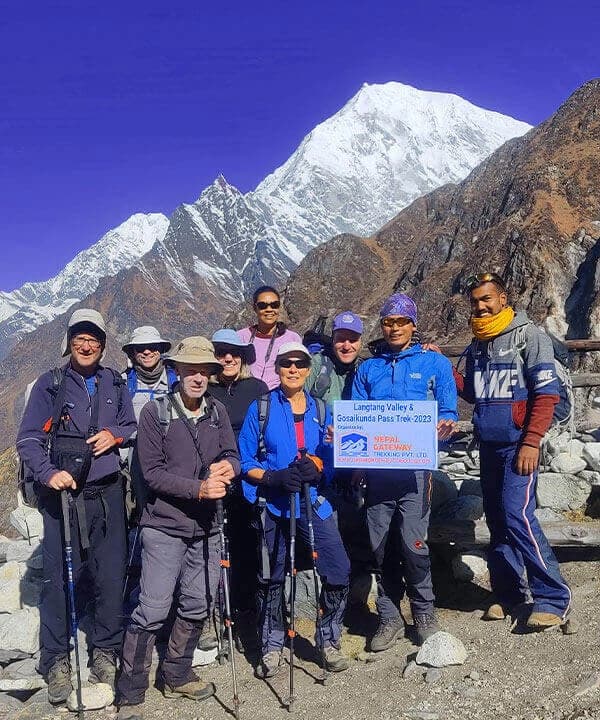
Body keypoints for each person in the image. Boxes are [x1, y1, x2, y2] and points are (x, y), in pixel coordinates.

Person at [16, 309, 137, 704]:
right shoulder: (49, 385)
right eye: (80, 338)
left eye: (94, 339)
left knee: (110, 575)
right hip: (63, 498)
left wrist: (114, 435)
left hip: (108, 492)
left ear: (103, 345)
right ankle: (55, 660)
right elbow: (29, 439)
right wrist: (48, 472)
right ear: (69, 341)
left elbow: (131, 425)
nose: (87, 345)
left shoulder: (114, 382)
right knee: (58, 579)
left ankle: (104, 649)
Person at [116, 337, 240, 720]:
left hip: (207, 528)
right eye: (190, 369)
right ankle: (131, 691)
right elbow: (151, 474)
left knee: (198, 603)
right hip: (164, 527)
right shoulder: (155, 414)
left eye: (204, 371)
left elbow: (232, 454)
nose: (197, 377)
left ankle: (177, 673)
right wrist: (200, 488)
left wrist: (229, 468)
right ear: (176, 371)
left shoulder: (217, 412)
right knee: (152, 608)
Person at [454, 272, 572, 629]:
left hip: (520, 445)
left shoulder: (529, 336)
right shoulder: (478, 343)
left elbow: (546, 395)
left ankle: (553, 596)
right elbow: (476, 393)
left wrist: (532, 441)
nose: (481, 306)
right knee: (498, 520)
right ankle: (508, 594)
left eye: (487, 299)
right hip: (489, 445)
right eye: (475, 301)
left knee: (517, 514)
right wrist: (448, 372)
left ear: (503, 299)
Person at [238, 342, 351, 677]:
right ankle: (271, 645)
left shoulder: (320, 408)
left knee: (338, 569)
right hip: (273, 505)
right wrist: (273, 477)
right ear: (277, 368)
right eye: (286, 363)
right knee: (269, 577)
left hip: (312, 502)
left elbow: (334, 454)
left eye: (300, 363)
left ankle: (328, 639)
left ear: (307, 368)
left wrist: (318, 465)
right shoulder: (262, 408)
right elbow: (246, 461)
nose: (293, 369)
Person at [352, 293, 457, 650]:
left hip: (416, 472)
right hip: (378, 474)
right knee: (379, 547)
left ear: (413, 325)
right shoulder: (368, 368)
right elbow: (357, 416)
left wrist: (447, 423)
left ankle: (424, 612)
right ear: (382, 326)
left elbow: (449, 409)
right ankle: (389, 615)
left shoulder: (435, 364)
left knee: (414, 544)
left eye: (401, 322)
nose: (394, 328)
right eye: (388, 322)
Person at [305, 312, 372, 611]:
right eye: (340, 339)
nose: (346, 345)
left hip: (354, 467)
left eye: (352, 339)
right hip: (320, 466)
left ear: (361, 341)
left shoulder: (368, 371)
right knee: (327, 532)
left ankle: (352, 599)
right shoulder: (316, 367)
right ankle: (326, 601)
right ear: (332, 339)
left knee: (354, 528)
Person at [209, 328, 268, 650]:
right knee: (210, 549)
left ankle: (247, 616)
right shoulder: (204, 390)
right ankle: (210, 616)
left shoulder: (257, 389)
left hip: (247, 482)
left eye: (234, 352)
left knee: (247, 550)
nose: (228, 358)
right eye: (220, 352)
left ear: (244, 356)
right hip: (212, 480)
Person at [121, 326, 175, 521]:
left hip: (172, 455)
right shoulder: (123, 383)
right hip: (134, 458)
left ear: (160, 350)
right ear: (133, 353)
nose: (146, 351)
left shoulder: (175, 380)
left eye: (152, 346)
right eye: (140, 348)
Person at [238, 286, 302, 390]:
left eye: (274, 305)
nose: (269, 309)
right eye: (262, 306)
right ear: (255, 308)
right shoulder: (241, 337)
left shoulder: (292, 339)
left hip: (279, 398)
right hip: (247, 396)